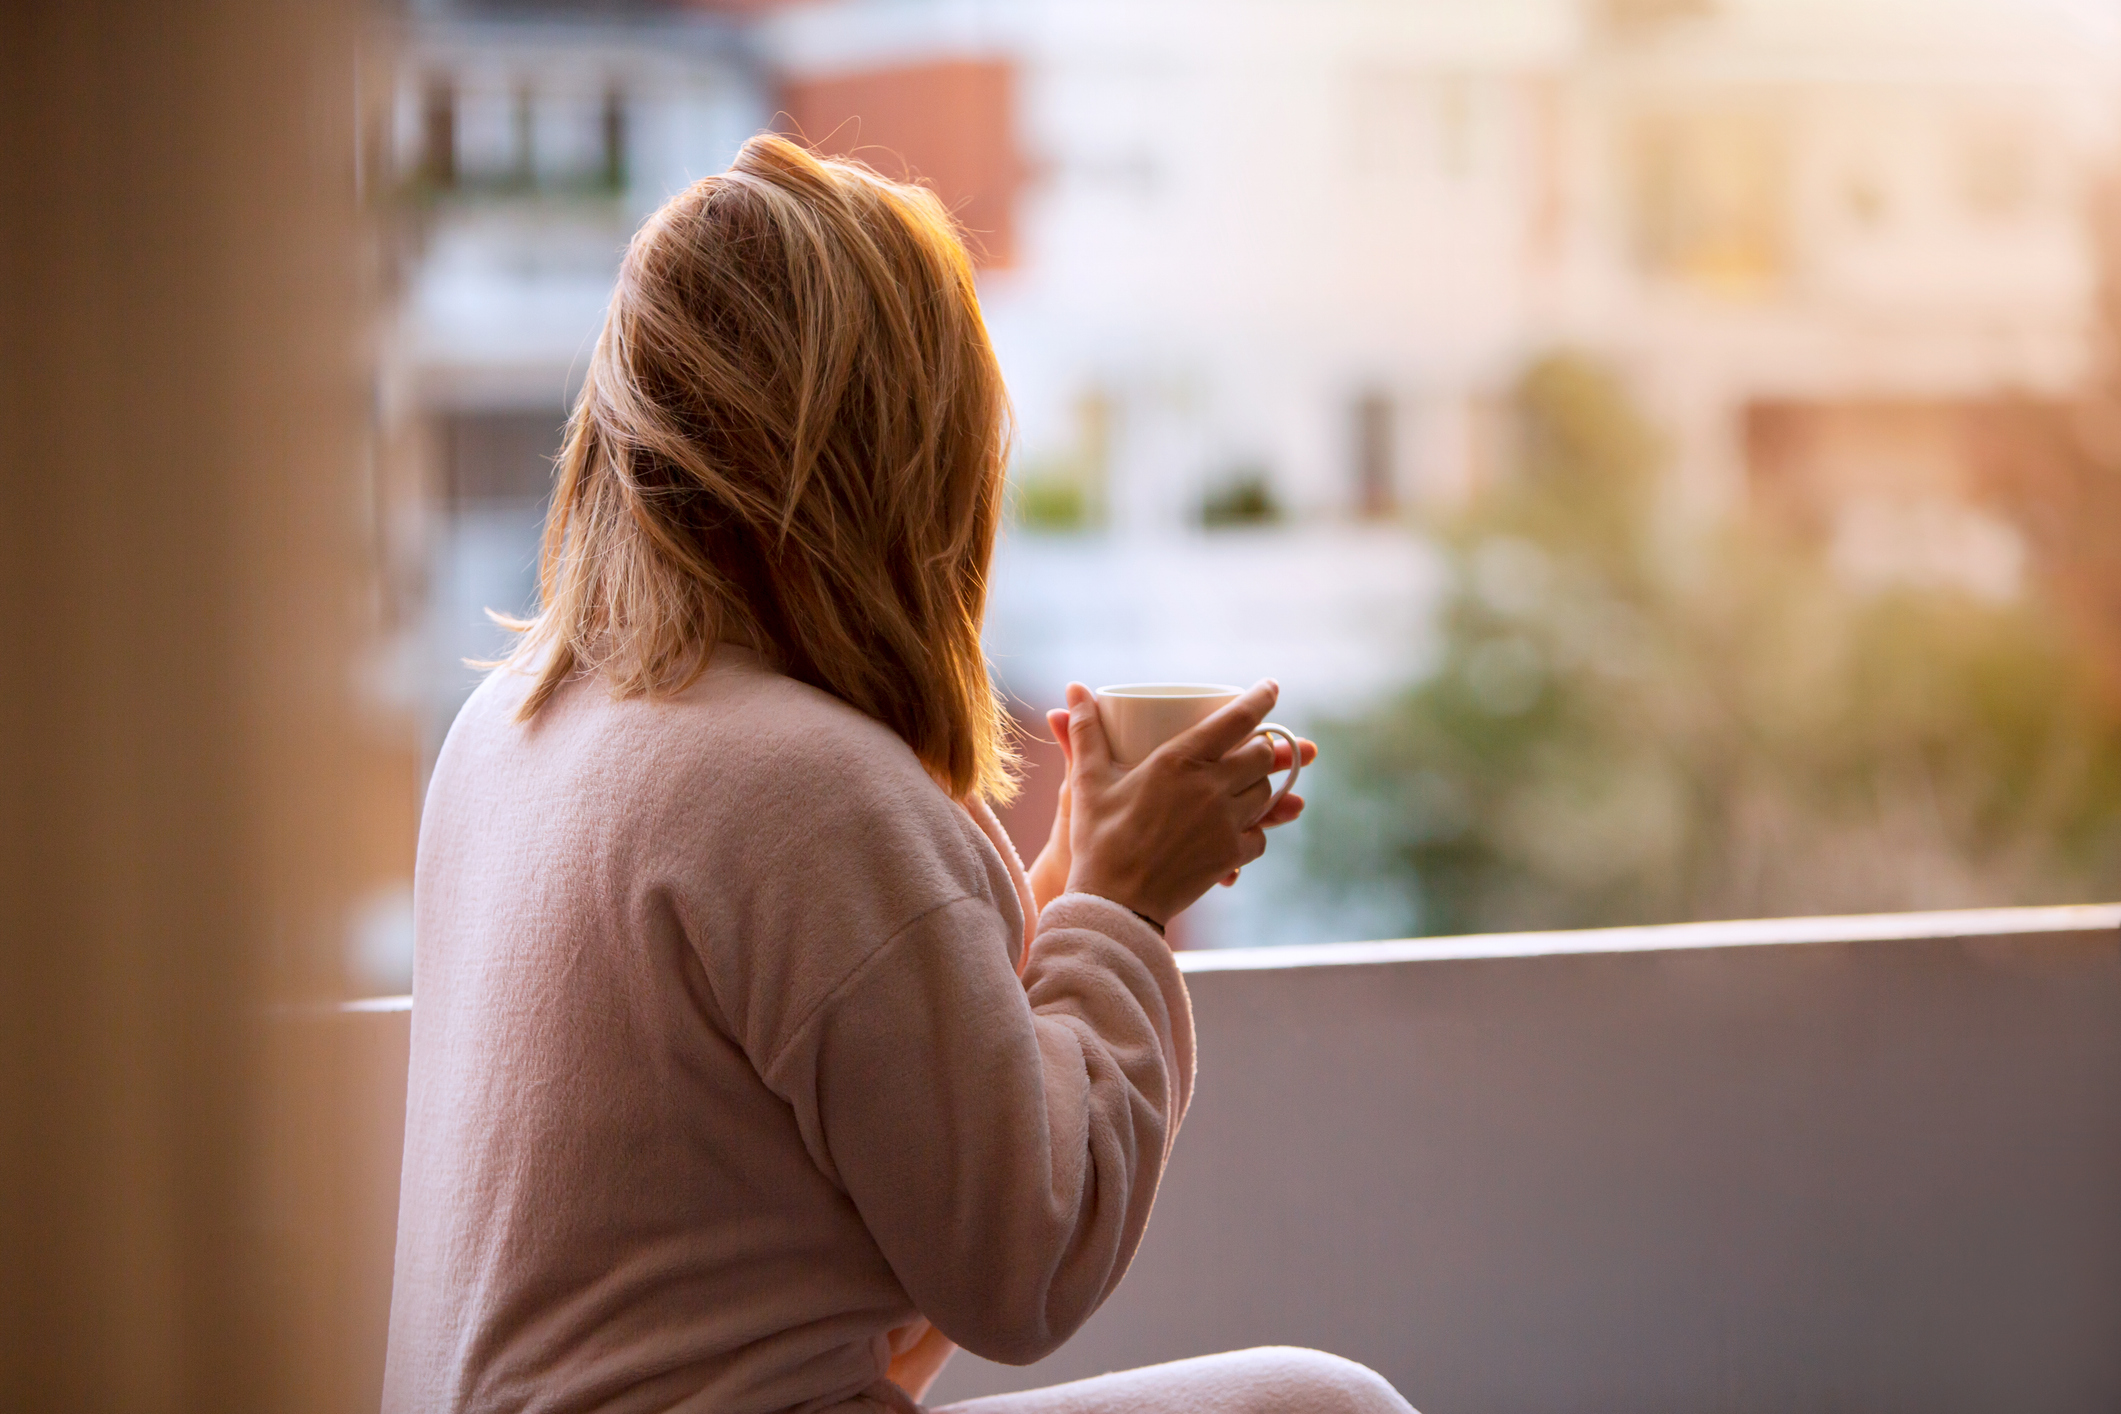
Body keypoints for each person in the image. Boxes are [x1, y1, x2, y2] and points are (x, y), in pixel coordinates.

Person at [383, 134, 1416, 1414]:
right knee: (1321, 1405)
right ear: (908, 450)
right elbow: (1018, 1263)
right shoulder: (805, 789)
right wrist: (1128, 908)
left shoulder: (507, 731)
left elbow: (866, 1118)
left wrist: (1074, 880)